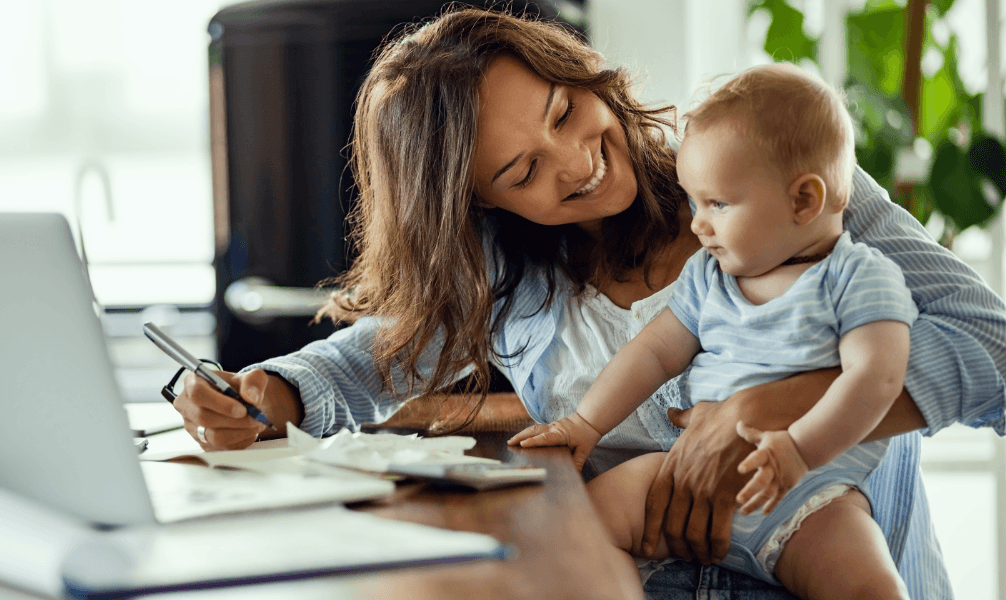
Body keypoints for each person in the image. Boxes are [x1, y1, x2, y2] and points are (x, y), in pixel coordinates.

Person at [172, 7, 1006, 598]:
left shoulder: (780, 178)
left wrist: (772, 405)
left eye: (566, 113)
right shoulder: (512, 275)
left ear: (581, 75)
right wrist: (262, 395)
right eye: (523, 173)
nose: (575, 164)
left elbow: (994, 353)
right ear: (484, 206)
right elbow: (369, 359)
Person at [510, 63, 915, 598]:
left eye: (717, 204)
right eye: (694, 201)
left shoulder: (858, 278)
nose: (697, 224)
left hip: (811, 496)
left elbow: (878, 381)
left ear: (803, 201)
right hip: (682, 473)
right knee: (578, 528)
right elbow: (653, 352)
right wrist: (586, 423)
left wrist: (796, 449)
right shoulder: (710, 274)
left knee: (871, 586)